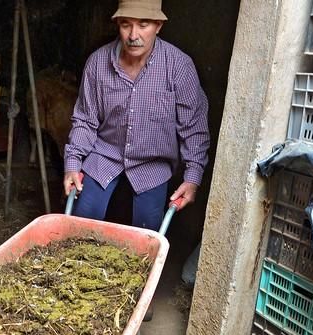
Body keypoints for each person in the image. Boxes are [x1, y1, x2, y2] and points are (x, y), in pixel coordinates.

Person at [63, 0, 210, 232]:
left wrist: (193, 177)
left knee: (147, 231)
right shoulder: (98, 64)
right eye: (125, 25)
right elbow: (85, 120)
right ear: (117, 25)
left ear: (159, 25)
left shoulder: (179, 66)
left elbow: (193, 127)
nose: (133, 35)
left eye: (143, 25)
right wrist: (72, 164)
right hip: (105, 154)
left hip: (152, 163)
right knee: (81, 223)